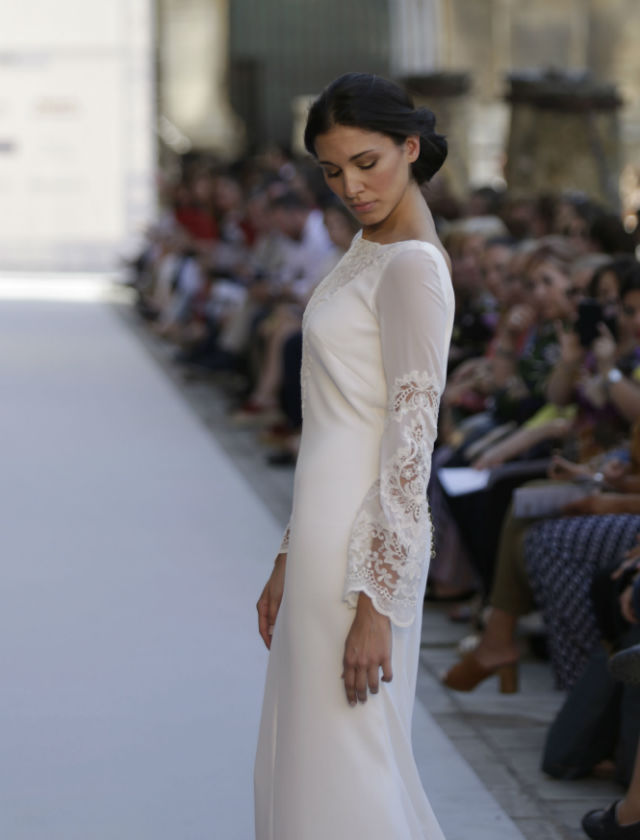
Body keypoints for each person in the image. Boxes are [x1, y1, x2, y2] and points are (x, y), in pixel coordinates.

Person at [254, 73, 454, 839]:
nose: (352, 186)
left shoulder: (412, 267)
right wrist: (288, 549)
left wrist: (378, 599)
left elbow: (411, 443)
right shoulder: (369, 247)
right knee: (309, 762)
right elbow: (333, 419)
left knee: (349, 769)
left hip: (361, 557)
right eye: (334, 171)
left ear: (409, 148)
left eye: (367, 163)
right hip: (321, 539)